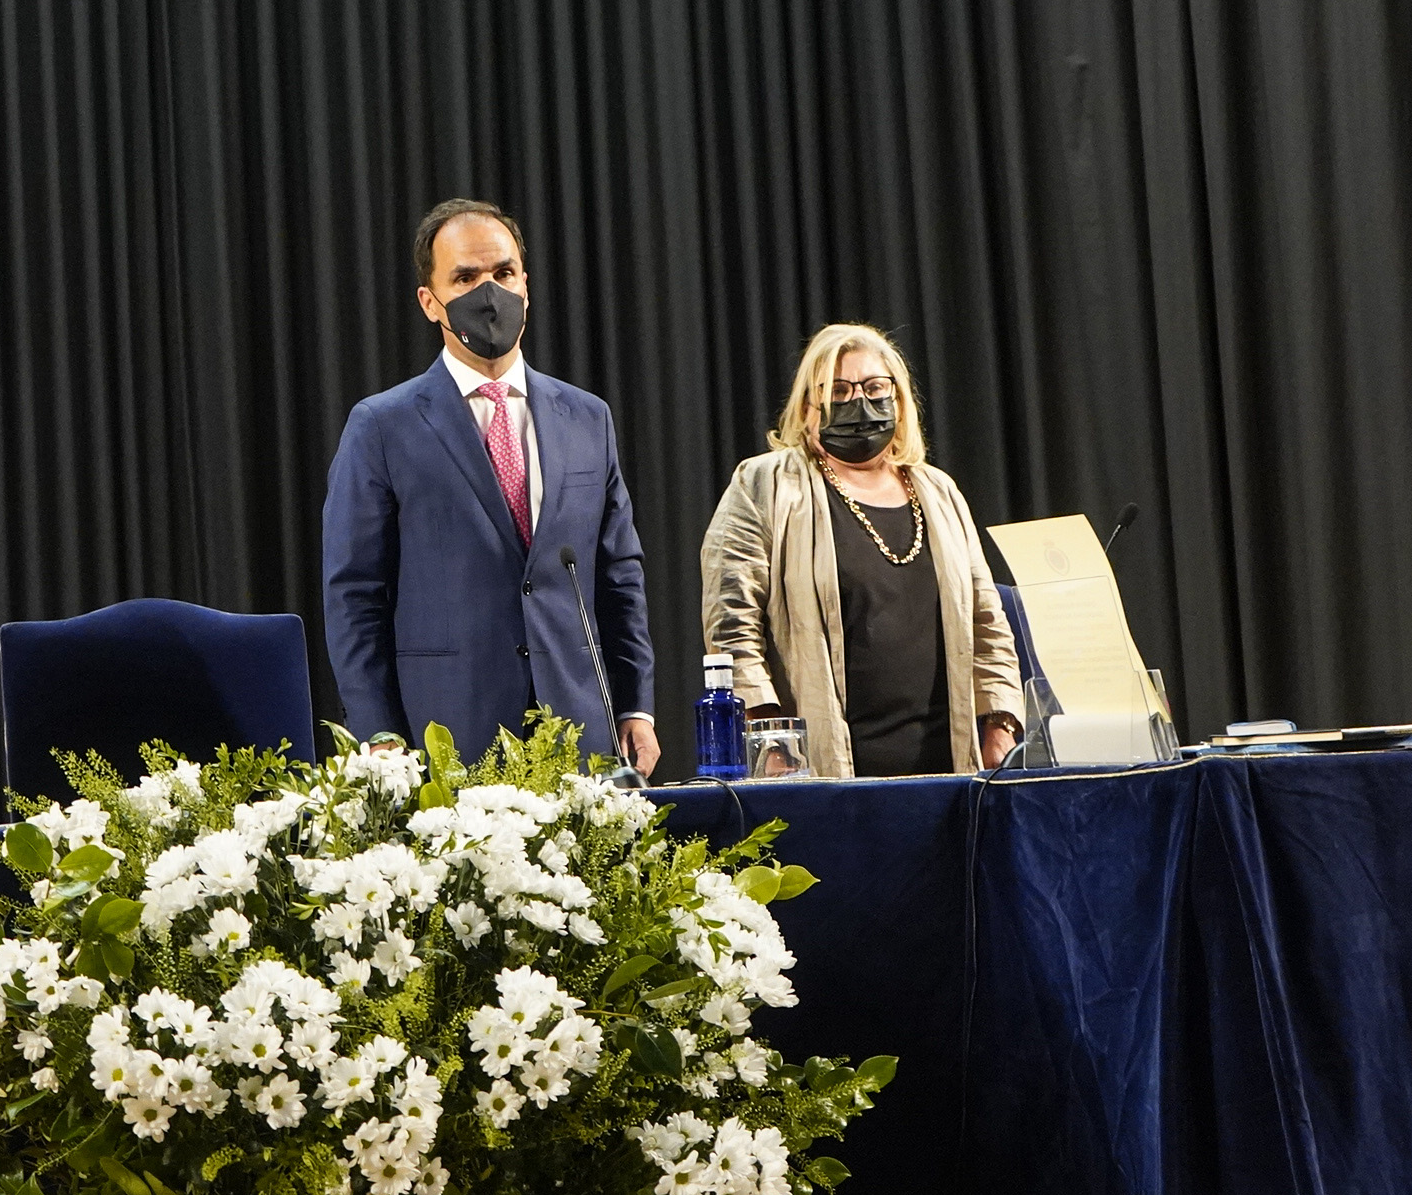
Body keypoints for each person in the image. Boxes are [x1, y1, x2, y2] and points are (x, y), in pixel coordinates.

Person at [321, 199, 659, 773]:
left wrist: (635, 706)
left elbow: (619, 575)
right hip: (447, 733)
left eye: (502, 273)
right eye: (465, 278)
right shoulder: (382, 426)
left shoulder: (588, 418)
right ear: (431, 302)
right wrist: (377, 728)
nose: (489, 292)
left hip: (578, 734)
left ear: (525, 285)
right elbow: (353, 592)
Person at [701, 323, 1022, 777]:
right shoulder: (765, 484)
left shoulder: (939, 491)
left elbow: (987, 621)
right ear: (809, 405)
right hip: (825, 774)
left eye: (875, 388)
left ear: (899, 398)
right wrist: (767, 736)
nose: (860, 402)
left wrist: (1000, 723)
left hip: (948, 772)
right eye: (840, 390)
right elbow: (730, 623)